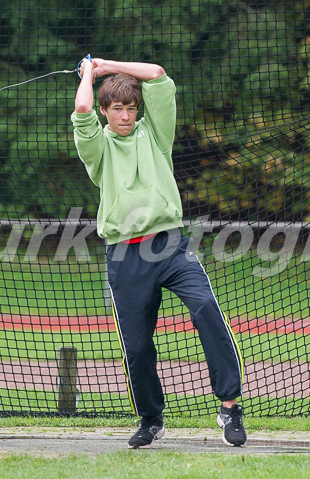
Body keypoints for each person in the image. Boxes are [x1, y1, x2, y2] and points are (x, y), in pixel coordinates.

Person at [71, 58, 247, 448]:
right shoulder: (98, 147)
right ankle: (151, 419)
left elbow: (158, 73)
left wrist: (102, 65)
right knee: (136, 345)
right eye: (117, 108)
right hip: (123, 255)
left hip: (170, 245)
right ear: (106, 111)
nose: (125, 115)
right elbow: (82, 110)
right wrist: (90, 77)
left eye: (131, 108)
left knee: (205, 308)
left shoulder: (154, 133)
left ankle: (230, 408)